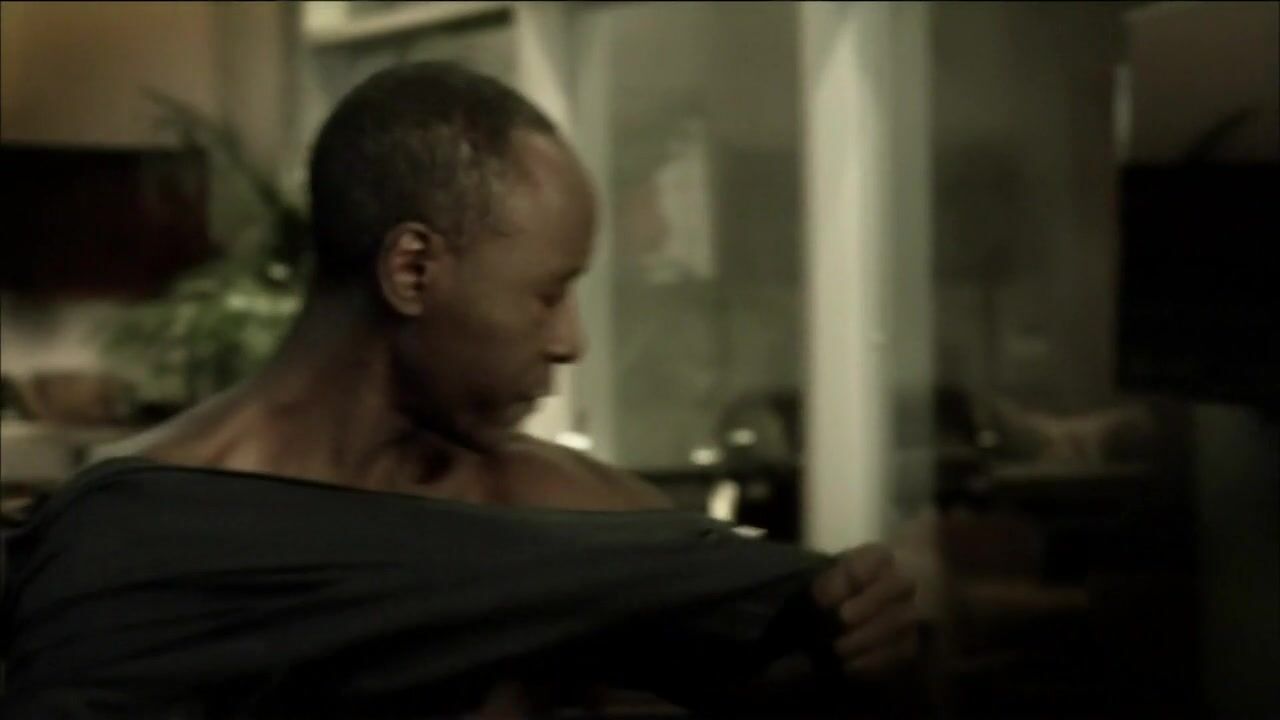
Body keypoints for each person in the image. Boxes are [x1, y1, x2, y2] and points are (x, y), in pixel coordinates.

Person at [2, 62, 920, 718]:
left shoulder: (563, 513)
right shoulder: (131, 546)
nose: (570, 343)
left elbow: (768, 664)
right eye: (548, 294)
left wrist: (855, 637)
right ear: (412, 269)